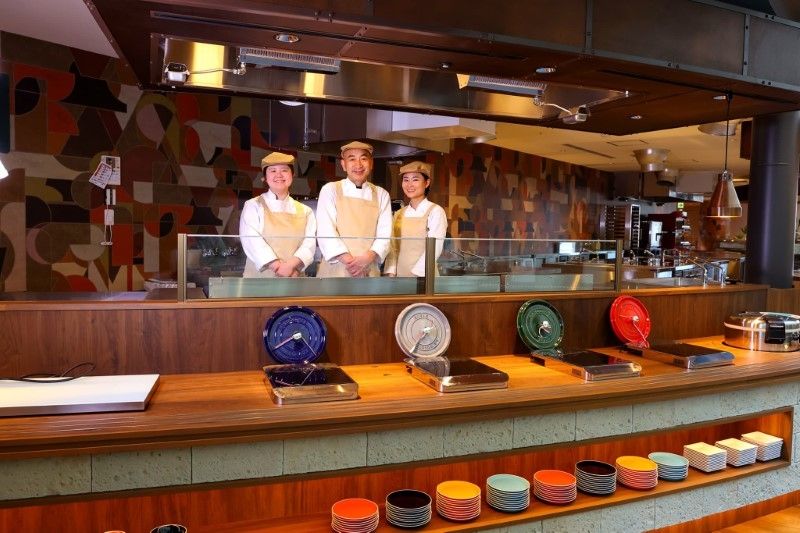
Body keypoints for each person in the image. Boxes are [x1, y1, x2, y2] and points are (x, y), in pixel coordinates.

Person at [315, 141, 392, 277]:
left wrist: (366, 259)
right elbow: (325, 231)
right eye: (352, 159)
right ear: (343, 164)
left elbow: (385, 235)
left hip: (368, 269)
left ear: (371, 163)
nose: (358, 165)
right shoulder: (330, 189)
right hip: (335, 270)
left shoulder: (382, 194)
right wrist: (352, 263)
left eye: (363, 159)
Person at [239, 151, 316, 277]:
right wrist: (278, 267)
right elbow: (251, 241)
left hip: (294, 276)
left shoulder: (306, 211)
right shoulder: (253, 205)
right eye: (273, 171)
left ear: (292, 175)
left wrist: (290, 266)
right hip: (260, 280)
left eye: (284, 170)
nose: (279, 175)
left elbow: (309, 244)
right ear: (265, 177)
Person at [384, 161, 447, 277]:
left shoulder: (435, 211)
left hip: (425, 277)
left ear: (427, 183)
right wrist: (391, 272)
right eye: (406, 180)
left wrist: (416, 275)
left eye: (415, 179)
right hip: (400, 276)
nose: (409, 185)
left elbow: (435, 248)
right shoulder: (399, 213)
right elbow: (393, 247)